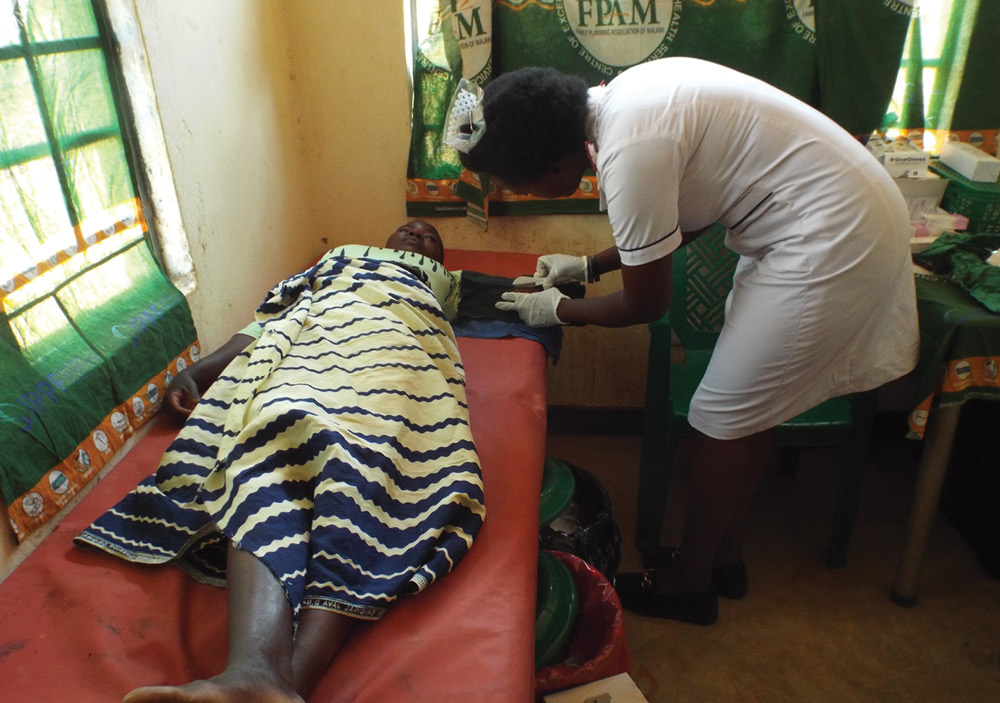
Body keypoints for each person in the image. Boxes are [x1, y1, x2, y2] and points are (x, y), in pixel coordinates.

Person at [459, 59, 919, 626]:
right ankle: (723, 558)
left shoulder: (631, 150)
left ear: (553, 163)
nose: (525, 194)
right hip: (816, 221)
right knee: (748, 411)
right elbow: (693, 211)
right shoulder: (622, 101)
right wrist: (588, 265)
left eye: (519, 185)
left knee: (716, 419)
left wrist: (558, 310)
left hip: (831, 238)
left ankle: (689, 585)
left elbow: (647, 304)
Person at [77, 221, 485, 703]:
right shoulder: (341, 258)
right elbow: (269, 322)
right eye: (408, 228)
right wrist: (195, 373)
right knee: (276, 427)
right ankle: (263, 678)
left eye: (429, 235)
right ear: (383, 239)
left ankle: (259, 677)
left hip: (401, 347)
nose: (418, 233)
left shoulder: (446, 283)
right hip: (321, 338)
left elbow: (514, 296)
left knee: (373, 465)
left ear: (440, 258)